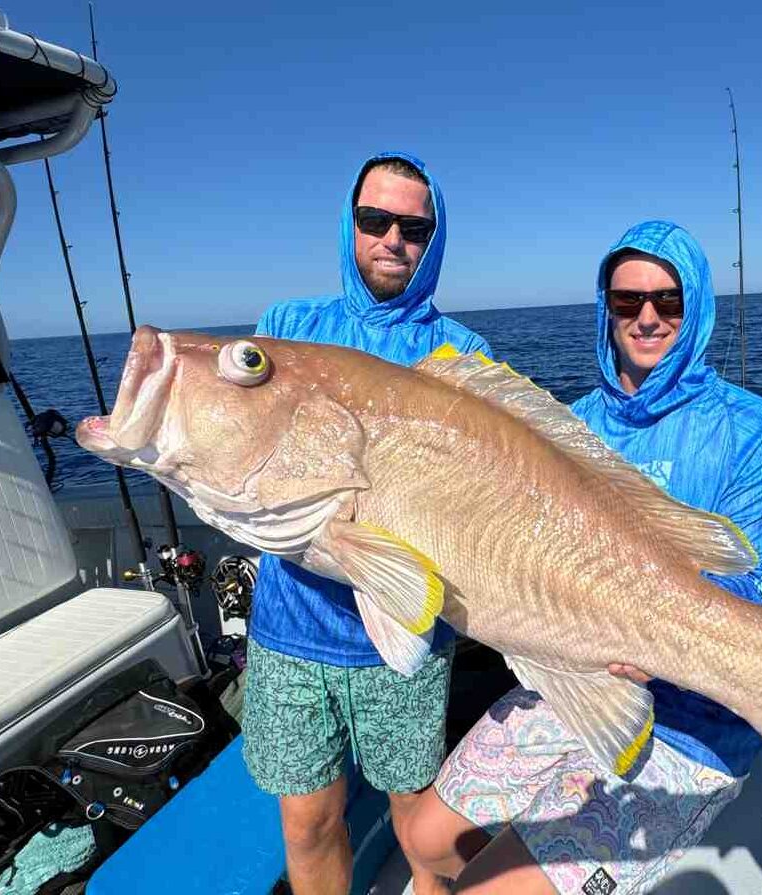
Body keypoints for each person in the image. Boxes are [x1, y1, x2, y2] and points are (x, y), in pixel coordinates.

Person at [402, 220, 762, 894]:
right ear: (606, 308)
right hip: (572, 682)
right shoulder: (572, 423)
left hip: (695, 725)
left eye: (668, 300)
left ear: (697, 304)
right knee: (422, 838)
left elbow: (760, 591)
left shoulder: (761, 432)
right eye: (627, 301)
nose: (647, 317)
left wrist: (641, 627)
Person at [242, 152, 491, 895]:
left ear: (434, 238)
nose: (392, 239)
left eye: (414, 227)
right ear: (350, 225)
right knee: (307, 820)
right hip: (288, 631)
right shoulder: (289, 328)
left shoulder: (464, 355)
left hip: (404, 635)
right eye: (374, 220)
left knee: (418, 818)